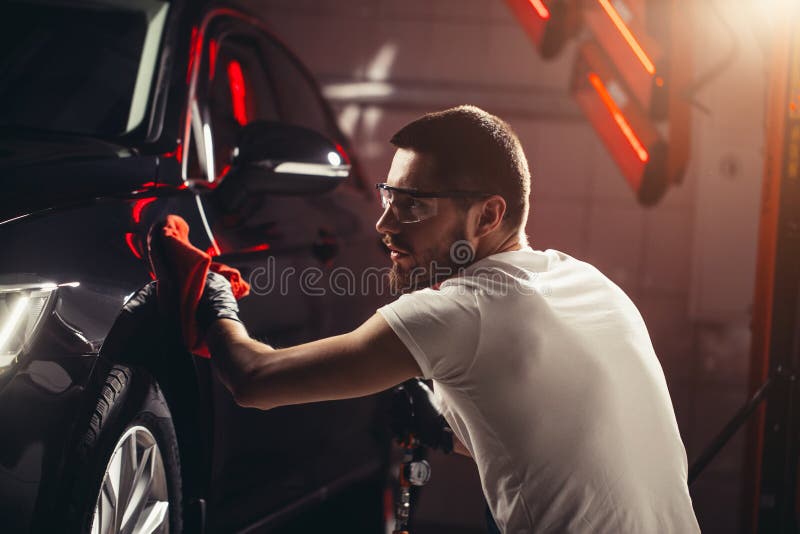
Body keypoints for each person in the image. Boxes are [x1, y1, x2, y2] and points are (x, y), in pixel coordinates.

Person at [192, 105, 700, 532]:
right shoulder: (591, 285)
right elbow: (544, 449)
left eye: (412, 207)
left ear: (487, 216)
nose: (384, 224)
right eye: (390, 197)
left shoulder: (457, 312)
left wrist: (212, 295)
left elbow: (254, 380)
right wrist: (443, 426)